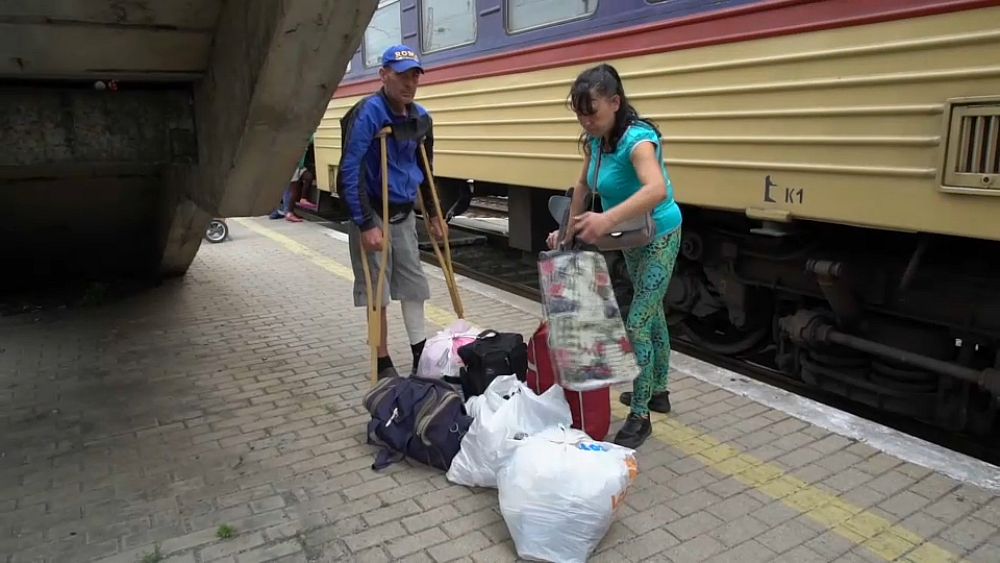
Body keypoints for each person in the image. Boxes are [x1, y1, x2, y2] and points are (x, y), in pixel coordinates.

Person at [547, 63, 683, 449]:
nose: (586, 122)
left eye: (593, 112)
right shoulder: (596, 142)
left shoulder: (638, 141)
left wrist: (606, 219)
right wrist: (567, 229)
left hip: (658, 234)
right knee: (651, 312)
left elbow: (656, 189)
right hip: (630, 235)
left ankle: (640, 415)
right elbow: (581, 185)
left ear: (615, 103)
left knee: (637, 322)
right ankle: (659, 390)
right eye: (580, 114)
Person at [337, 44, 447, 380]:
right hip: (373, 210)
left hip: (402, 213)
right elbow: (349, 171)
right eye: (401, 76)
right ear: (384, 75)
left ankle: (420, 355)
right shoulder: (367, 113)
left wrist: (432, 213)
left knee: (413, 283)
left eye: (414, 75)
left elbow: (426, 169)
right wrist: (366, 223)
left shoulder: (421, 118)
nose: (409, 83)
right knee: (377, 291)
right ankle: (382, 361)